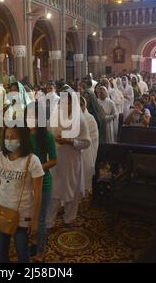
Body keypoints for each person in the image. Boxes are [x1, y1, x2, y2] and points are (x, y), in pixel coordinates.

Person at [0, 127, 44, 263]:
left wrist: (35, 220)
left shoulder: (33, 161)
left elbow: (38, 193)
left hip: (23, 214)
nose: (9, 140)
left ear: (23, 139)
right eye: (7, 137)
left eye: (13, 137)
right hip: (2, 212)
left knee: (23, 253)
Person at [47, 93, 91, 228]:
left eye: (69, 103)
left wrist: (70, 141)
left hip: (72, 159)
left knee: (72, 189)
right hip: (56, 159)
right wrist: (54, 138)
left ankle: (69, 218)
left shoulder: (80, 120)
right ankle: (49, 221)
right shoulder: (56, 116)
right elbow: (48, 133)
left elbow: (86, 142)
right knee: (54, 190)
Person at [25, 103, 57, 263]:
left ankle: (40, 252)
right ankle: (33, 242)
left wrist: (36, 168)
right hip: (25, 182)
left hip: (43, 181)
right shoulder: (23, 134)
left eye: (35, 116)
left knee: (41, 218)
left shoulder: (47, 136)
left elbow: (53, 160)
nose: (31, 118)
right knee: (27, 216)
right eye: (29, 115)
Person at [79, 97, 99, 197]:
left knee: (85, 174)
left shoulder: (90, 118)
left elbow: (93, 137)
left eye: (81, 105)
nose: (79, 107)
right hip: (74, 149)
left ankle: (85, 195)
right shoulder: (71, 117)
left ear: (85, 105)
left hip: (86, 150)